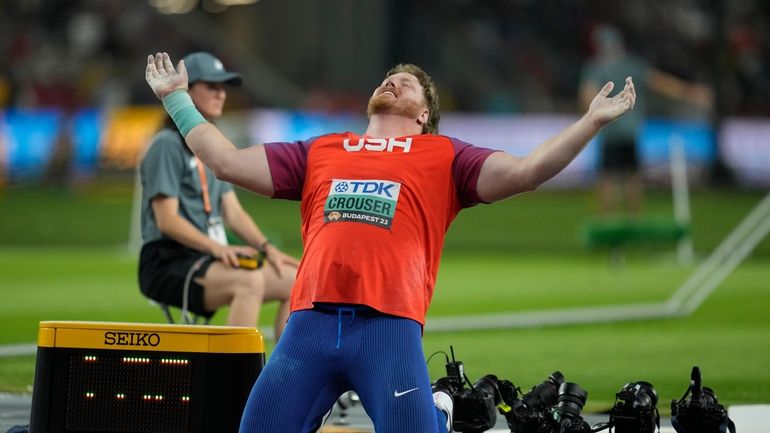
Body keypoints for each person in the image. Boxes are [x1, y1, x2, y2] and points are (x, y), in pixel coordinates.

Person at [145, 51, 636, 433]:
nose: (393, 79)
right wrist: (176, 99)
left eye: (409, 82)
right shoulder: (322, 149)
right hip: (309, 325)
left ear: (424, 113)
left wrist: (589, 122)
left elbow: (527, 171)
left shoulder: (444, 156)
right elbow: (227, 162)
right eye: (390, 76)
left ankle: (439, 412)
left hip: (388, 329)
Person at [138, 51, 298, 340]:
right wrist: (219, 249)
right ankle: (232, 379)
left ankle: (285, 374)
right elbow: (167, 221)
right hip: (168, 261)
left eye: (223, 87)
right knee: (247, 281)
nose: (221, 94)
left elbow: (234, 214)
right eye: (212, 86)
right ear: (186, 90)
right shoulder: (166, 145)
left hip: (206, 259)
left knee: (297, 280)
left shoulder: (210, 148)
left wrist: (267, 248)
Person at [579, 24, 712, 217]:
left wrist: (591, 116)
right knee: (633, 175)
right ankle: (634, 218)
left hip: (609, 129)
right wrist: (691, 93)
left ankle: (606, 220)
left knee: (608, 176)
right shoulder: (632, 65)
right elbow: (661, 83)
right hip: (630, 129)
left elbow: (587, 93)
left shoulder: (595, 67)